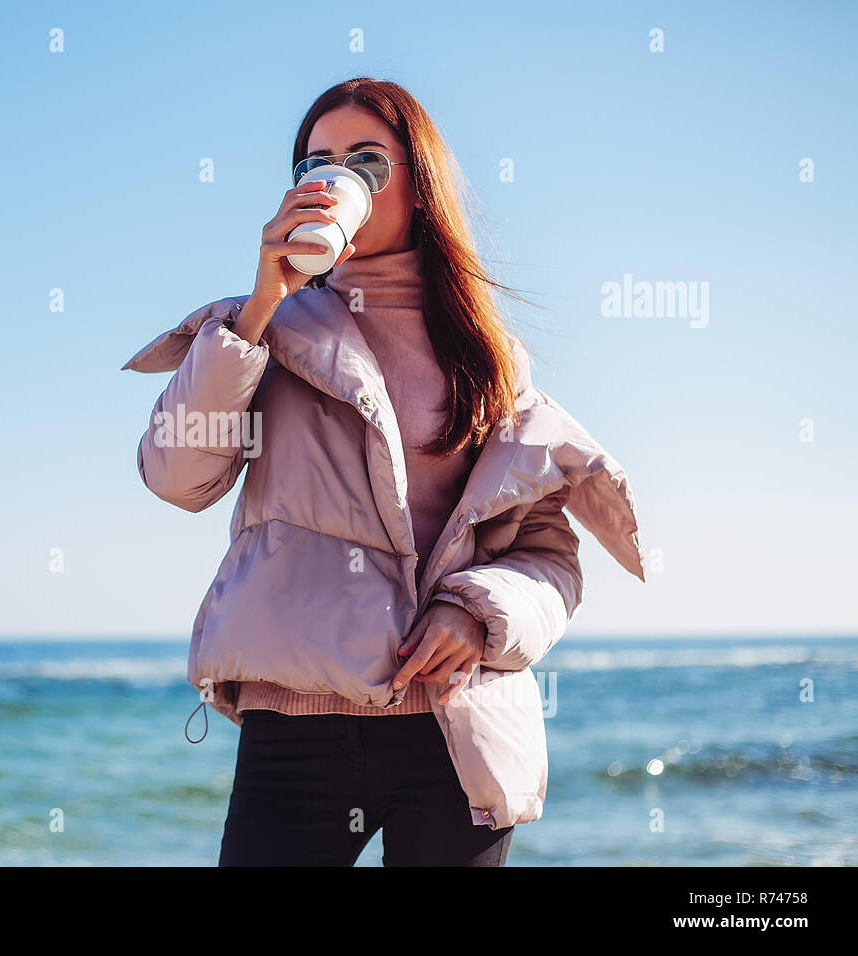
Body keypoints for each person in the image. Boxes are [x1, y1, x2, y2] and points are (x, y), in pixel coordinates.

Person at [121, 77, 646, 866]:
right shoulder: (256, 332)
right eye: (316, 162)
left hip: (459, 726)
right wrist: (260, 307)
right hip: (296, 733)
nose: (337, 179)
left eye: (368, 160)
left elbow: (547, 556)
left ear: (420, 183)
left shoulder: (494, 359)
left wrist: (477, 614)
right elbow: (175, 475)